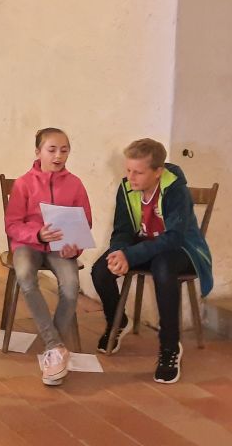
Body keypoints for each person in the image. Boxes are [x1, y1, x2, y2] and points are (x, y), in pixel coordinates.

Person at [91, 138, 212, 384]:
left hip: (183, 250)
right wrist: (119, 252)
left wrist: (132, 255)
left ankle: (170, 346)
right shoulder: (127, 188)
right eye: (128, 170)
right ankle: (117, 321)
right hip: (145, 246)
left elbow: (174, 237)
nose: (131, 177)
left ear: (158, 172)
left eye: (138, 172)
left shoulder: (176, 189)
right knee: (101, 270)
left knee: (163, 267)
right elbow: (123, 230)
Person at [4, 128, 92, 386]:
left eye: (64, 150)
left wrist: (74, 247)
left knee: (71, 287)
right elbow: (12, 225)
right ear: (38, 152)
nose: (58, 156)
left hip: (60, 248)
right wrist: (37, 234)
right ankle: (54, 345)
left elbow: (85, 222)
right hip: (28, 244)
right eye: (51, 150)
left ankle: (54, 349)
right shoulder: (23, 183)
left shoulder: (75, 184)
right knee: (25, 276)